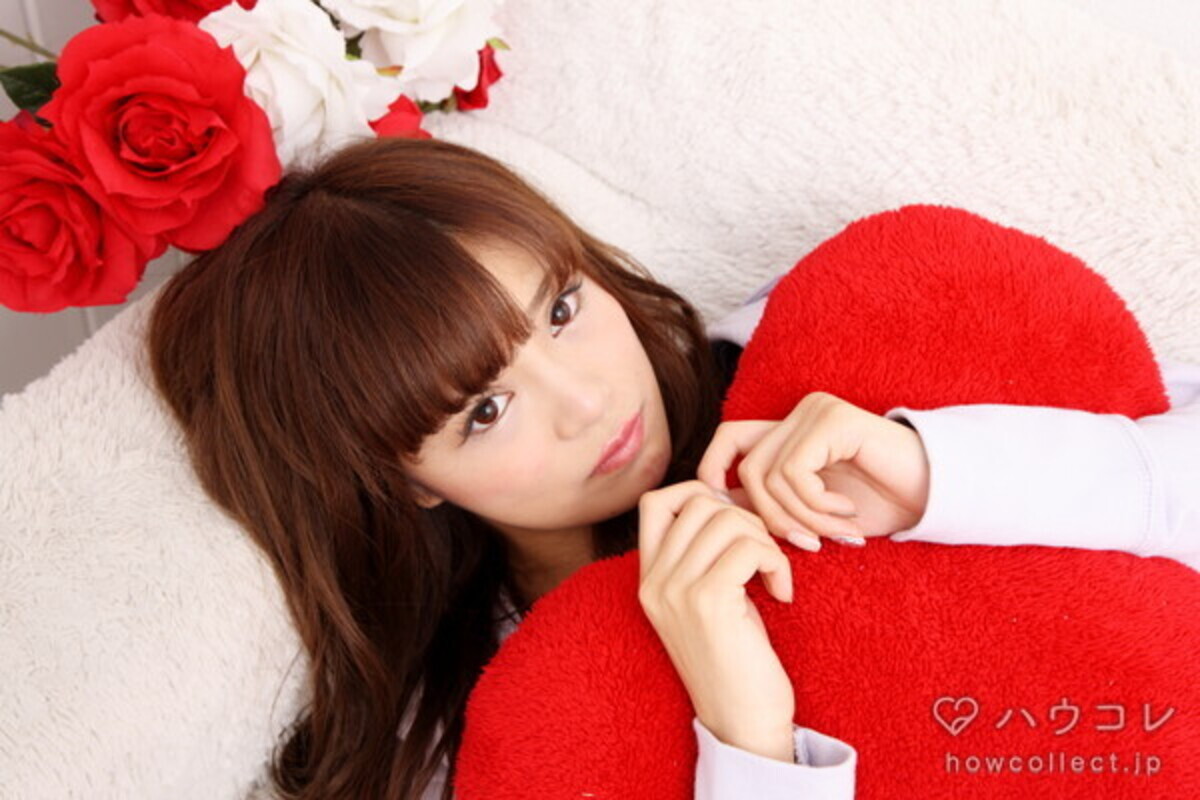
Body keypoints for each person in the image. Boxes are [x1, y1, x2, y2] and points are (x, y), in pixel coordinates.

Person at [145, 135, 1200, 800]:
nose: (588, 400)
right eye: (485, 409)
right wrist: (747, 735)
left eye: (563, 309)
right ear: (402, 478)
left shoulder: (826, 354)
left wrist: (938, 473)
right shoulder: (486, 732)